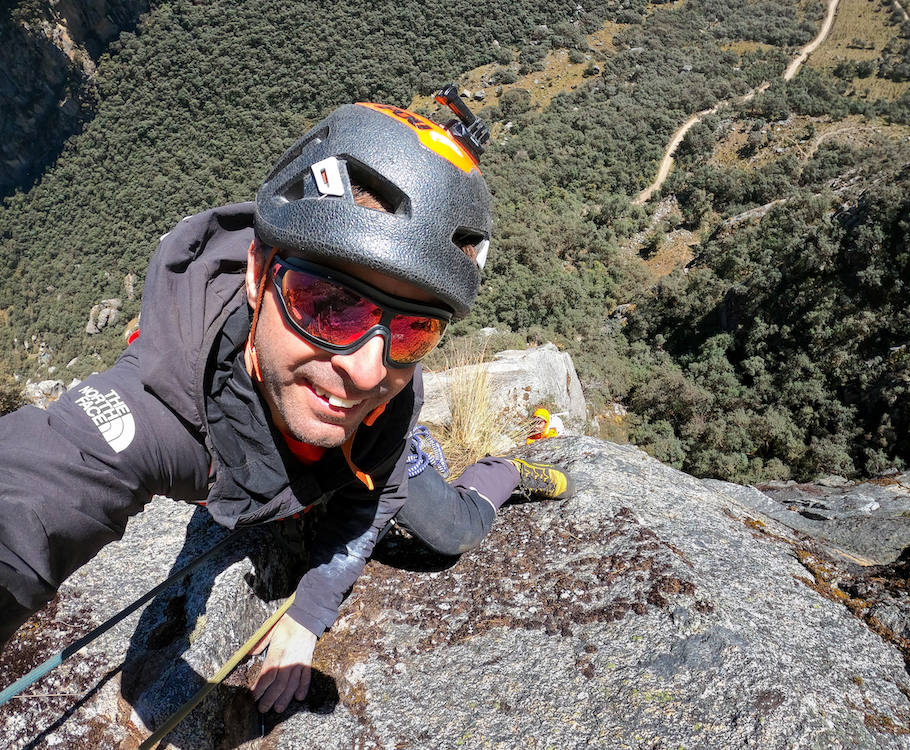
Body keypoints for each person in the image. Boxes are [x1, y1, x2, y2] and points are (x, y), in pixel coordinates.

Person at [0, 88, 574, 714]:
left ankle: (503, 471)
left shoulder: (389, 400)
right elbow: (40, 488)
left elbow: (372, 502)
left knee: (451, 532)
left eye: (413, 329)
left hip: (361, 465)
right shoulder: (164, 408)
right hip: (296, 462)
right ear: (257, 272)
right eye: (328, 303)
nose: (364, 369)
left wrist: (308, 611)